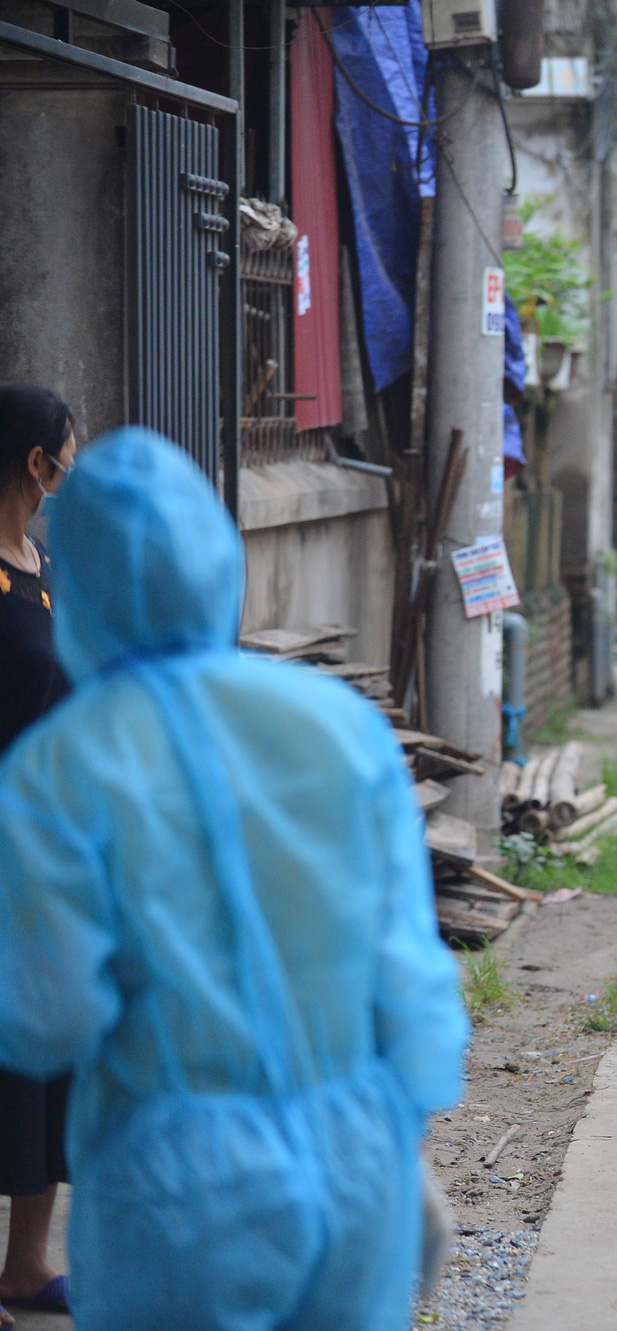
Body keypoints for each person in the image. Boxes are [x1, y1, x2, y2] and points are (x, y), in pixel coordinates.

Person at [0, 427, 467, 1329]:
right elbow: (409, 972)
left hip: (175, 1181)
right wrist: (400, 1142)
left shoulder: (57, 770)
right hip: (357, 1157)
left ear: (83, 584)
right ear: (218, 560)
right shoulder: (339, 727)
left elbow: (48, 1015)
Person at [0, 385, 77, 1324]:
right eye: (66, 452)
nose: (71, 469)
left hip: (46, 852)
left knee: (44, 1051)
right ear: (34, 461)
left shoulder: (41, 561)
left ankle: (25, 1264)